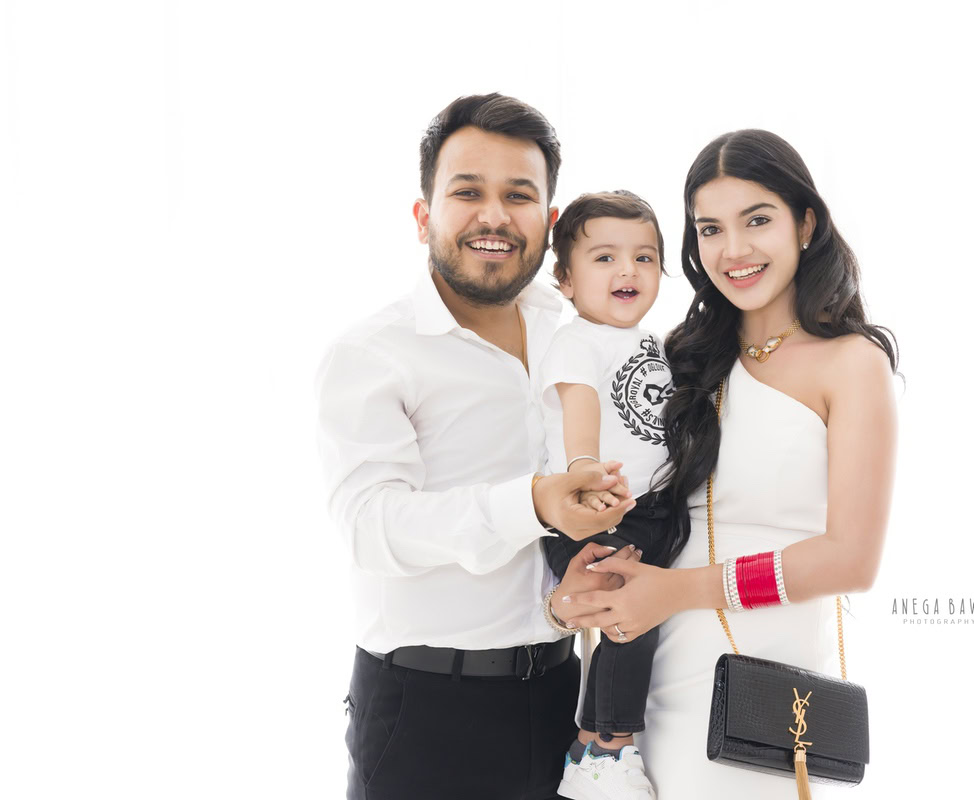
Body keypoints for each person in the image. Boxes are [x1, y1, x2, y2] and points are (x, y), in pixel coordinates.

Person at [550, 129, 899, 798]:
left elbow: (851, 561)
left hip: (764, 692)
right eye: (710, 228)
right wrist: (572, 600)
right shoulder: (675, 357)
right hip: (644, 682)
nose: (733, 250)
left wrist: (673, 592)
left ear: (806, 223)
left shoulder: (853, 364)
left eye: (757, 220)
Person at [315, 92, 644, 800]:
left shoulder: (575, 335)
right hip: (427, 716)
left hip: (563, 698)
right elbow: (375, 529)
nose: (494, 215)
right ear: (423, 215)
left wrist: (566, 604)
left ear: (550, 223)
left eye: (519, 196)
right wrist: (532, 501)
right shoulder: (374, 353)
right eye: (468, 192)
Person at [536, 191, 674, 800]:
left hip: (648, 509)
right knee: (626, 615)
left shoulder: (656, 343)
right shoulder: (578, 341)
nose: (628, 271)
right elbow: (581, 407)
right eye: (605, 258)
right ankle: (611, 750)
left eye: (645, 257)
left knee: (634, 612)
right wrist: (587, 471)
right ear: (564, 279)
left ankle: (590, 742)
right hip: (598, 506)